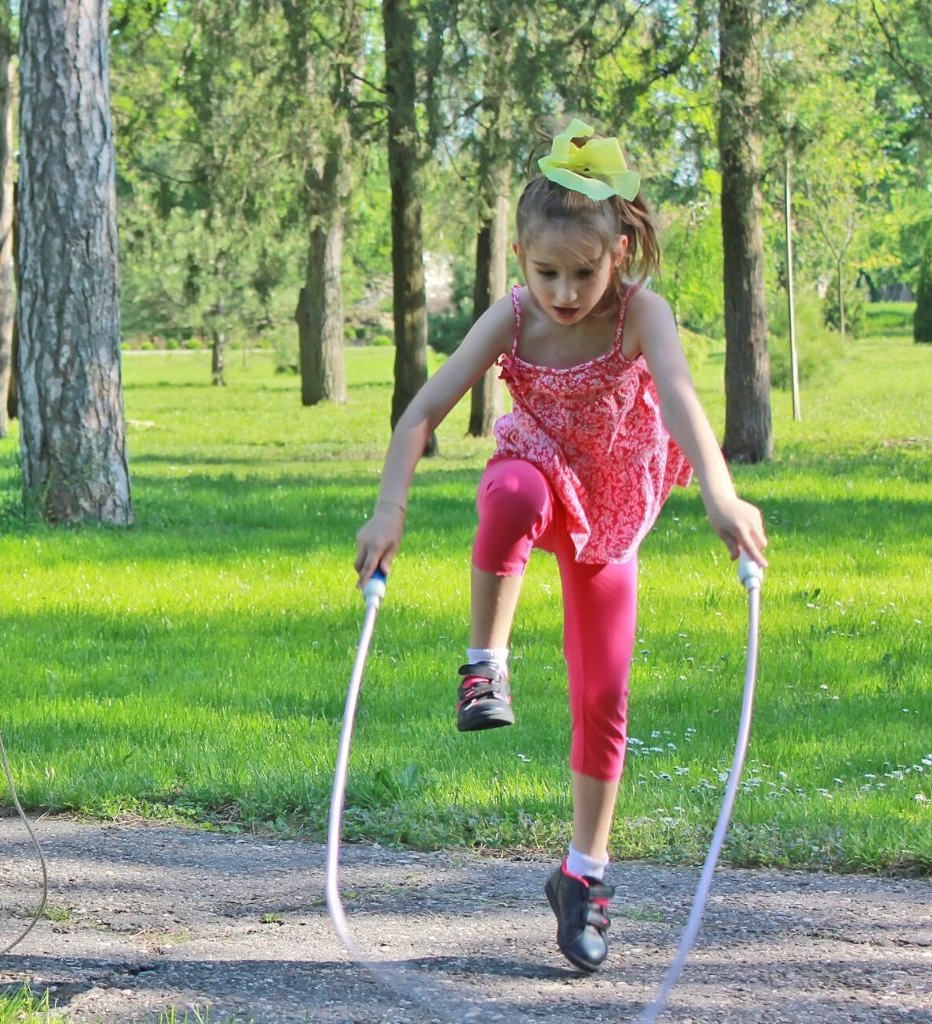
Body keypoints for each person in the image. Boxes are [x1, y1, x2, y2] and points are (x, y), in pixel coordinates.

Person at [353, 119, 769, 972]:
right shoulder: (512, 319)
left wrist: (721, 494)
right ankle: (484, 663)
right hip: (540, 473)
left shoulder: (641, 315)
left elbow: (685, 402)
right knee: (506, 491)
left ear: (621, 250)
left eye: (585, 272)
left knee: (604, 698)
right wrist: (389, 510)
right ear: (518, 254)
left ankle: (583, 877)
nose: (566, 292)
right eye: (547, 273)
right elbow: (421, 412)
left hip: (613, 509)